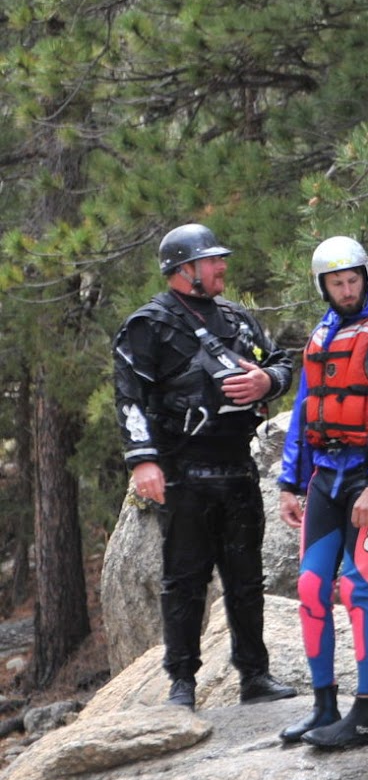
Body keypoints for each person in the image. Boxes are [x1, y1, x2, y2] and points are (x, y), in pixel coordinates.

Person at [113, 224, 298, 710]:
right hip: (182, 471)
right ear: (184, 270)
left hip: (237, 466)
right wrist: (144, 461)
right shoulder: (148, 324)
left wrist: (267, 382)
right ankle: (182, 684)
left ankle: (255, 676)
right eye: (213, 261)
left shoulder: (237, 318)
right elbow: (129, 398)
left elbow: (280, 363)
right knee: (184, 580)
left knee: (246, 578)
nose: (223, 268)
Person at [278, 237, 368, 748]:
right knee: (311, 590)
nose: (346, 290)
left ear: (366, 275)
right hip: (325, 476)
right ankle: (323, 707)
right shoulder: (321, 336)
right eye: (336, 283)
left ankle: (365, 717)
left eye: (352, 280)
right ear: (323, 286)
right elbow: (304, 408)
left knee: (356, 589)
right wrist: (290, 483)